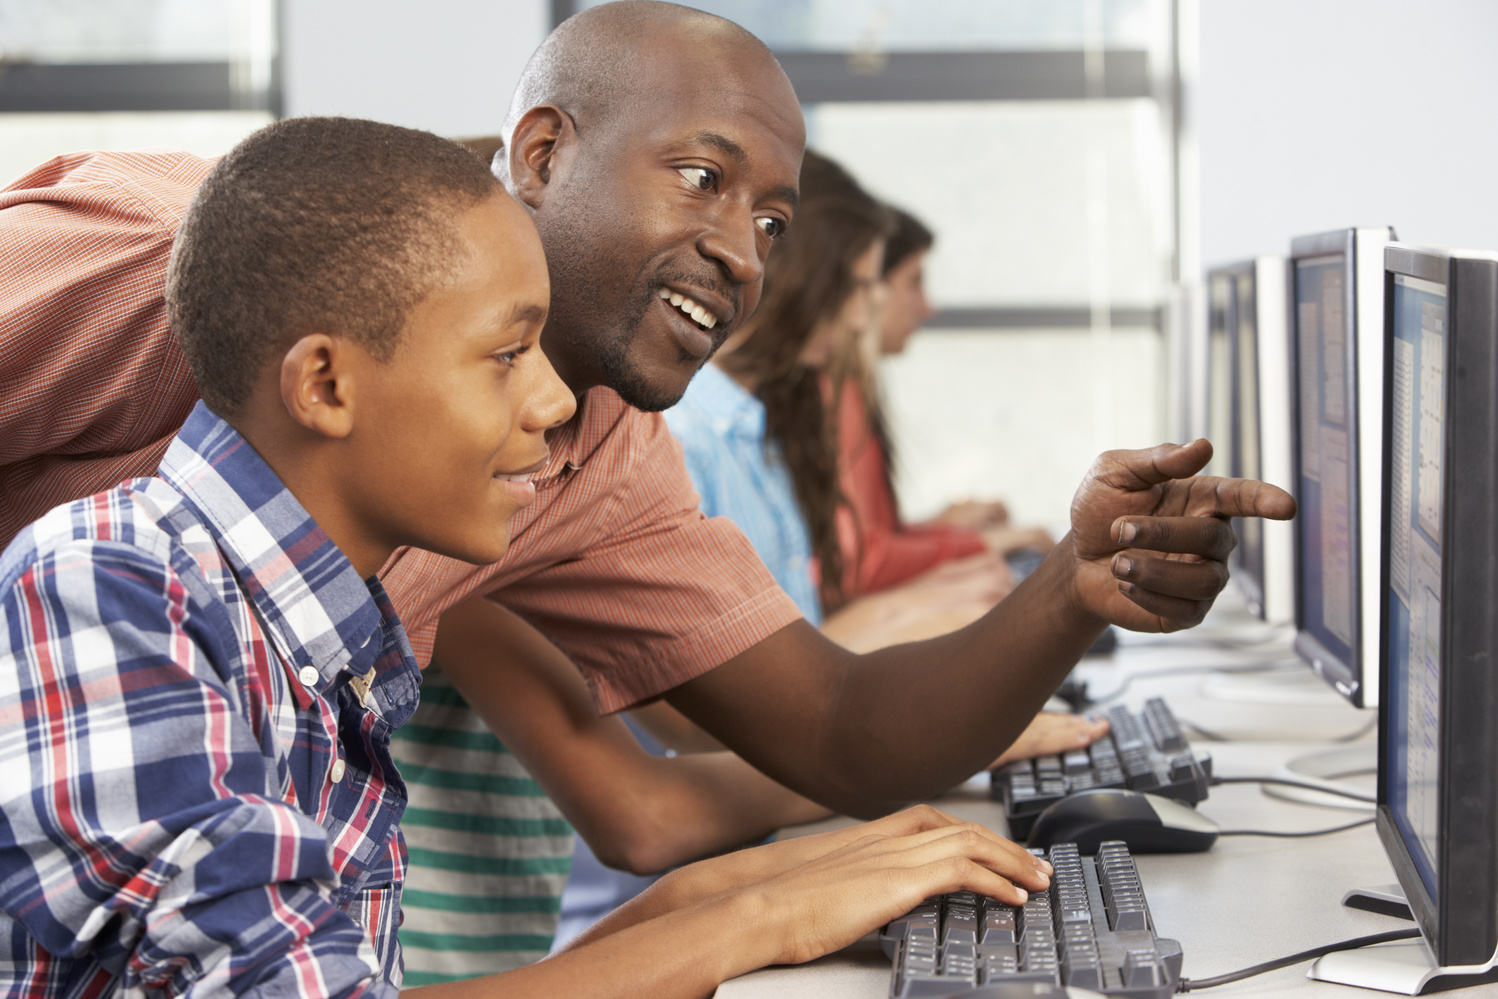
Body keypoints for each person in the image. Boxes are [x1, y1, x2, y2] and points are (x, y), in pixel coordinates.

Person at [0, 0, 1294, 975]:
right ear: (547, 150)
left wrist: (1073, 588)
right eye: (702, 175)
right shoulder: (180, 270)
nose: (740, 252)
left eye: (775, 223)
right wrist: (744, 913)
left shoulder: (586, 458)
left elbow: (838, 721)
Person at [834, 204, 1054, 602]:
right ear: (869, 290)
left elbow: (867, 544)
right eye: (914, 283)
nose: (927, 306)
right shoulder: (835, 395)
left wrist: (942, 528)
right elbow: (861, 565)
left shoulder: (852, 389)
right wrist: (984, 544)